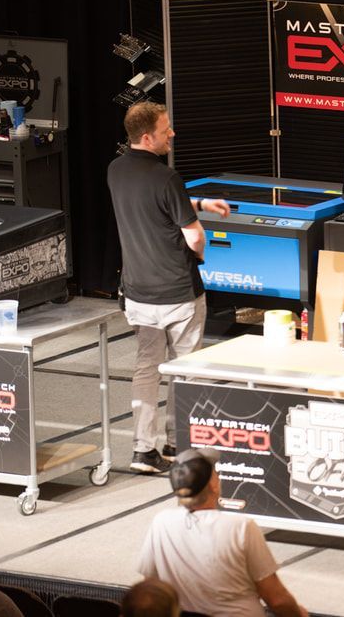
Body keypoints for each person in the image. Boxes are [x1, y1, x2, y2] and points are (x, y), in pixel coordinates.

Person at [108, 101, 230, 473]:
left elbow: (157, 203)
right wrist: (199, 255)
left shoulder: (115, 171)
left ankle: (143, 450)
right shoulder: (167, 177)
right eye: (166, 130)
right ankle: (181, 444)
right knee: (187, 368)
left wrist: (200, 202)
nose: (172, 134)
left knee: (147, 368)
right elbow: (194, 235)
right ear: (147, 137)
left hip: (138, 294)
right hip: (179, 294)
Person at [137, 448, 308, 617]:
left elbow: (150, 589)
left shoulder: (161, 522)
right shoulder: (240, 527)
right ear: (213, 485)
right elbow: (277, 600)